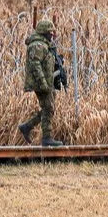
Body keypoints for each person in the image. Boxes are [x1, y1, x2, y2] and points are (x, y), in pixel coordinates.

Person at [17, 18, 65, 146]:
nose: (52, 35)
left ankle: (27, 127)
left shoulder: (44, 45)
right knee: (48, 108)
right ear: (44, 32)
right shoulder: (37, 45)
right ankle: (46, 138)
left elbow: (45, 63)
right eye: (50, 33)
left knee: (47, 108)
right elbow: (35, 65)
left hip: (46, 81)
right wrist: (43, 82)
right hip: (40, 83)